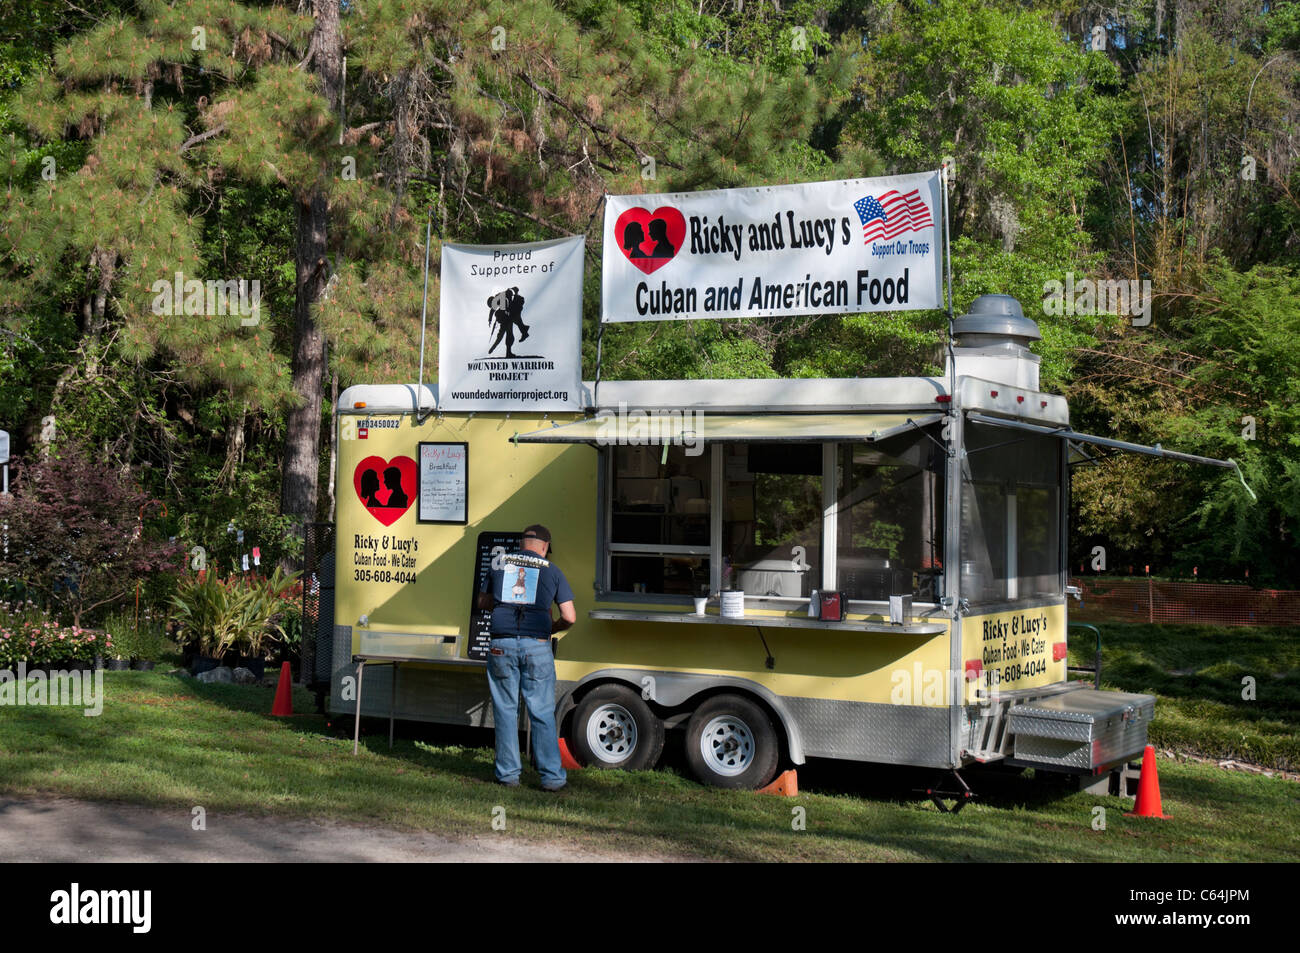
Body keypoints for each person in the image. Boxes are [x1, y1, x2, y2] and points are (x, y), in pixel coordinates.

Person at [476, 525, 575, 790]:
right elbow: (569, 616)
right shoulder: (552, 571)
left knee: (505, 710)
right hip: (537, 645)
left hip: (501, 645)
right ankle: (552, 779)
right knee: (541, 711)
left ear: (522, 544)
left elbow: (482, 602)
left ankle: (508, 775)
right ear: (545, 547)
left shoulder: (499, 565)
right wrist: (552, 627)